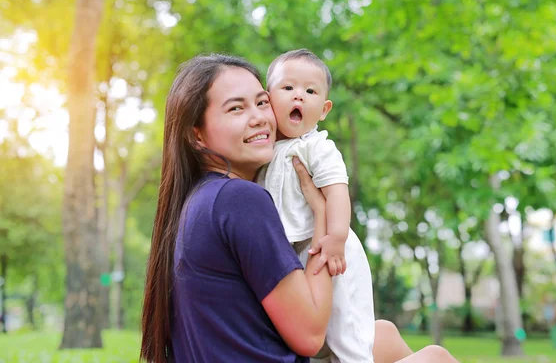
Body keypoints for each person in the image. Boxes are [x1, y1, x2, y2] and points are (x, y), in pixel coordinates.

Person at [140, 53, 460, 363]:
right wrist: (321, 214)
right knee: (436, 358)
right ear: (196, 134)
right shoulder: (239, 200)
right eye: (236, 108)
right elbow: (309, 337)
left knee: (384, 334)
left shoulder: (201, 198)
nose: (259, 118)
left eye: (261, 102)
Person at [257, 49, 375, 362]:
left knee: (345, 325)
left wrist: (336, 238)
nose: (299, 97)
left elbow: (337, 191)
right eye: (288, 88)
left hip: (332, 249)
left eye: (310, 91)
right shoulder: (265, 149)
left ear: (324, 109)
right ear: (268, 98)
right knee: (321, 330)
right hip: (296, 250)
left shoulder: (317, 147)